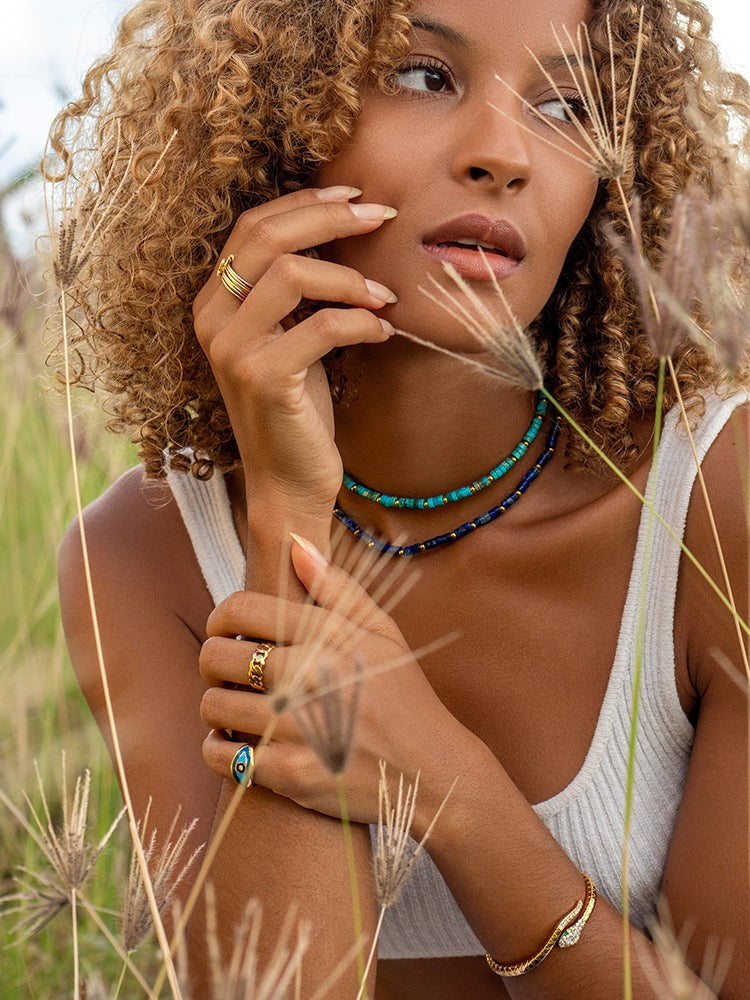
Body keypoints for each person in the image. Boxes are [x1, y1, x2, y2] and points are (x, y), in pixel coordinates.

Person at [51, 0, 750, 996]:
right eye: (425, 76)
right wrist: (290, 520)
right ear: (278, 114)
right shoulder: (134, 556)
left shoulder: (720, 501)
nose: (503, 153)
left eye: (568, 104)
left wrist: (451, 791)